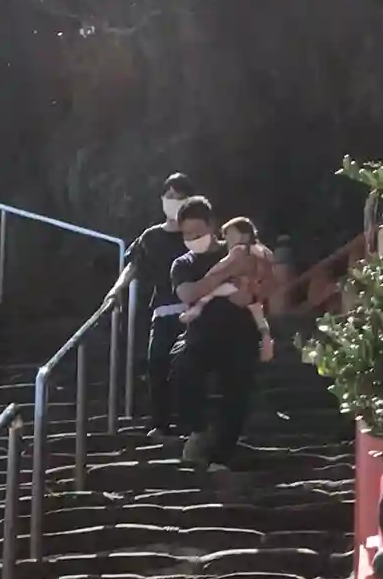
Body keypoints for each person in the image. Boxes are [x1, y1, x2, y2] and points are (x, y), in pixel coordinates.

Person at [169, 198, 264, 467]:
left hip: (240, 332)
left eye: (197, 232)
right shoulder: (183, 264)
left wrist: (212, 281)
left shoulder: (237, 250)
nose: (192, 239)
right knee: (181, 366)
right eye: (187, 234)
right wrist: (223, 275)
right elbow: (188, 293)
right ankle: (198, 429)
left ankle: (223, 454)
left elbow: (248, 290)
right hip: (200, 334)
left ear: (211, 225)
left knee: (237, 390)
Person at [107, 173, 195, 434]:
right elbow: (133, 266)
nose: (174, 201)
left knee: (190, 366)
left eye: (180, 197)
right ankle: (160, 424)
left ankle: (191, 425)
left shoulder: (197, 234)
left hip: (196, 310)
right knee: (157, 364)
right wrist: (117, 289)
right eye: (169, 196)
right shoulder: (151, 236)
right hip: (163, 310)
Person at [180, 216, 275, 364]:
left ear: (244, 235)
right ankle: (266, 338)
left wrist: (209, 279)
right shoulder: (264, 251)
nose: (227, 240)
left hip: (241, 287)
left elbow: (221, 266)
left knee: (211, 292)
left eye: (230, 235)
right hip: (254, 293)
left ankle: (198, 307)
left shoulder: (239, 250)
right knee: (260, 318)